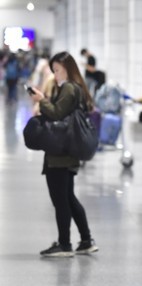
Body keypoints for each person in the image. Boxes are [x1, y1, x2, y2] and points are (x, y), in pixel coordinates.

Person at [29, 51, 99, 257]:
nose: (55, 74)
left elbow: (56, 113)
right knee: (68, 197)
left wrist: (41, 100)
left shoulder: (69, 87)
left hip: (61, 152)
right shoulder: (77, 88)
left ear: (67, 69)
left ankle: (65, 244)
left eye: (57, 70)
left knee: (60, 199)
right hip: (68, 150)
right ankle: (85, 240)